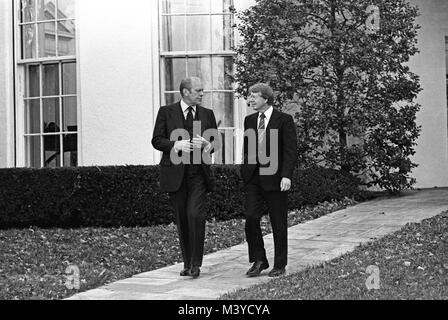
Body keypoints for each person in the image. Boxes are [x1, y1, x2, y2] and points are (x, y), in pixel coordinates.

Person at [152, 77, 220, 278]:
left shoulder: (207, 114)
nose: (202, 94)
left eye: (202, 91)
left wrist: (208, 145)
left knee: (195, 215)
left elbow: (215, 142)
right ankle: (187, 262)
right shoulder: (166, 112)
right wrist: (175, 145)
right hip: (175, 174)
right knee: (182, 218)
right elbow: (156, 140)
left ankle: (196, 264)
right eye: (198, 90)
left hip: (198, 174)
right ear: (185, 92)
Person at [241, 83, 298, 278]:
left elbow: (290, 151)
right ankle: (259, 260)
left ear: (266, 98)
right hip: (253, 178)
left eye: (254, 96)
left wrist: (286, 175)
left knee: (278, 222)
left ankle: (279, 264)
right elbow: (248, 148)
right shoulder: (249, 120)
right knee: (250, 218)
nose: (250, 100)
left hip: (275, 178)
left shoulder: (284, 120)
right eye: (250, 96)